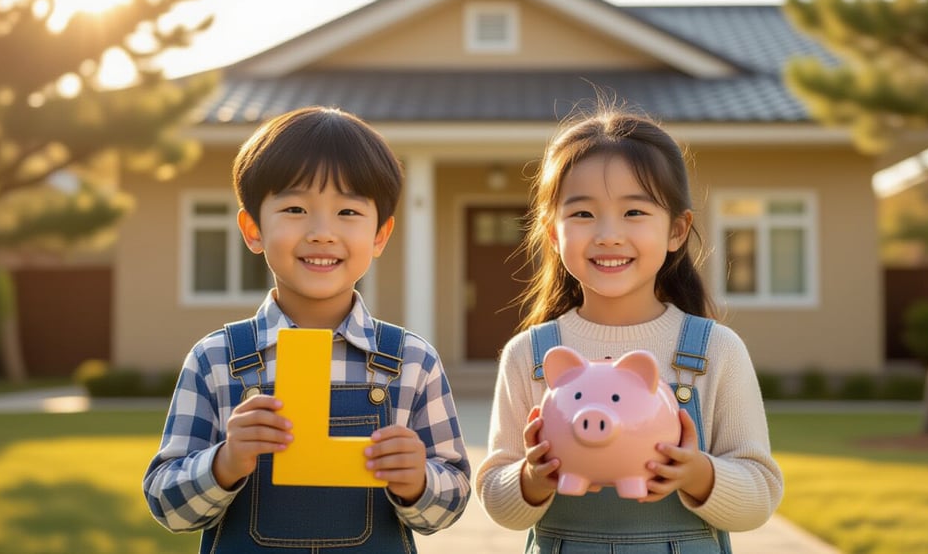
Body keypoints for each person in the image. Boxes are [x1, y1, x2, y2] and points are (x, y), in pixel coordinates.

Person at [143, 106, 471, 553]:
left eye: (349, 212)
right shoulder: (216, 359)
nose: (322, 232)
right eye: (295, 208)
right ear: (252, 228)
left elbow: (450, 503)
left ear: (380, 235)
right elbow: (168, 504)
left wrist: (418, 481)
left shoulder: (413, 362)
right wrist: (224, 462)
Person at [475, 104, 783, 553]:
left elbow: (761, 494)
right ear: (553, 232)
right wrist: (530, 478)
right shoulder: (532, 355)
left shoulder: (715, 349)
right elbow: (496, 498)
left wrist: (698, 474)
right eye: (582, 215)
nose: (608, 235)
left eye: (634, 213)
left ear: (677, 230)